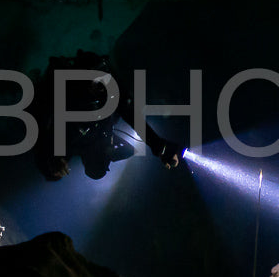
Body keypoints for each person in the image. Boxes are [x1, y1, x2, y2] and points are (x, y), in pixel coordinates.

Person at [32, 50, 181, 181]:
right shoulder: (68, 102)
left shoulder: (75, 141)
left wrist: (158, 145)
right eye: (95, 80)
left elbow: (130, 114)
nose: (102, 85)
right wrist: (158, 145)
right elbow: (43, 125)